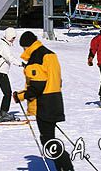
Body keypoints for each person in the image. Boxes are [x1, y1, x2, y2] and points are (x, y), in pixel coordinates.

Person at [13, 31, 74, 171]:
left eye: (23, 48)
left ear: (26, 46)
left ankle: (65, 164)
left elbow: (37, 87)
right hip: (55, 100)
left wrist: (20, 96)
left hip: (44, 104)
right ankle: (63, 167)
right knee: (49, 137)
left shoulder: (36, 58)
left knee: (47, 140)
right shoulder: (50, 54)